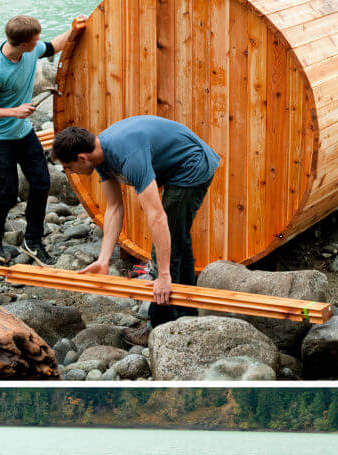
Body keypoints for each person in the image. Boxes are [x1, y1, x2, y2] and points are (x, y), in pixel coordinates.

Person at [51, 116, 220, 346]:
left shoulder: (128, 156)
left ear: (82, 158)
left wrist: (163, 275)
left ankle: (157, 326)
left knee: (170, 240)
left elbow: (157, 216)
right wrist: (103, 259)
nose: (71, 172)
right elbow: (114, 208)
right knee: (178, 238)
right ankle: (185, 315)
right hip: (173, 167)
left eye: (69, 167)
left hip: (192, 165)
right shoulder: (99, 155)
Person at [0, 13, 87, 265]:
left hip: (23, 132)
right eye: (35, 40)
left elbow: (54, 46)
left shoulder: (29, 51)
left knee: (41, 182)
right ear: (23, 44)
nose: (38, 43)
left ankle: (32, 240)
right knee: (8, 191)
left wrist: (75, 29)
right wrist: (14, 111)